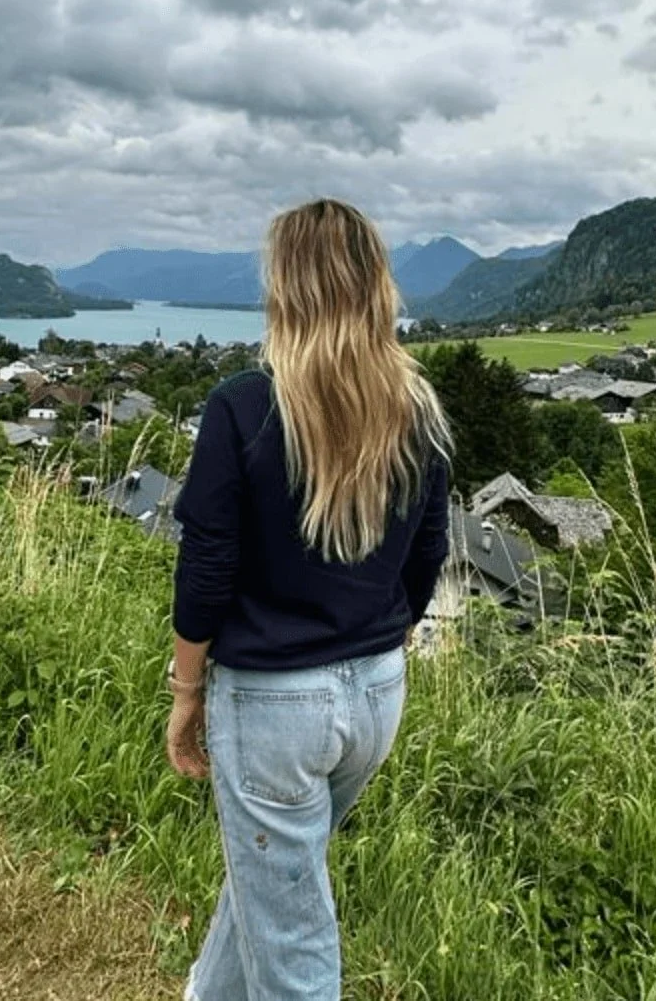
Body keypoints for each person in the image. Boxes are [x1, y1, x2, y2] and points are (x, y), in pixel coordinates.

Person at [166, 198, 453, 1000]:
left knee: (292, 935)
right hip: (377, 692)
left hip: (273, 708)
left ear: (286, 288)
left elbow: (206, 570)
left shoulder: (243, 407)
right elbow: (429, 555)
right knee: (273, 881)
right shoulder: (417, 410)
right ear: (375, 286)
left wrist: (185, 690)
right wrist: (382, 637)